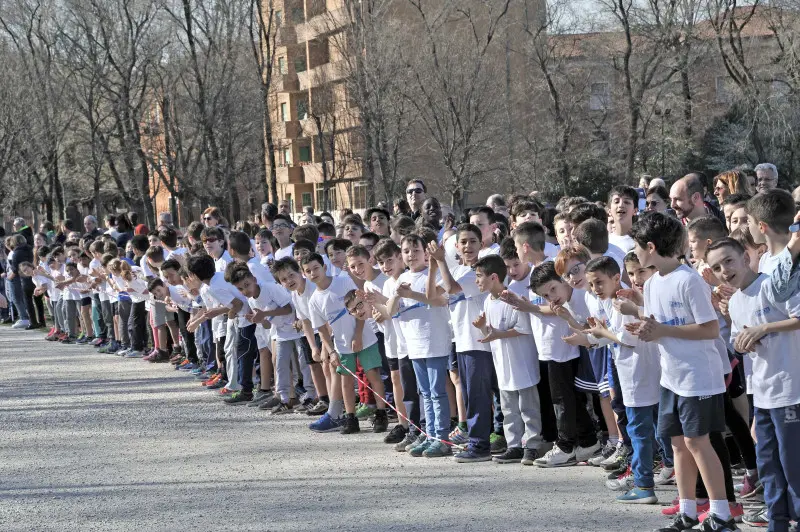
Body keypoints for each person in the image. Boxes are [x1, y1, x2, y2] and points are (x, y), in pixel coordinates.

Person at [623, 212, 734, 530]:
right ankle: (687, 511)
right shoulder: (655, 281)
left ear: (651, 246)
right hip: (670, 376)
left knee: (699, 443)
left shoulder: (688, 280)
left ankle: (722, 515)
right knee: (676, 444)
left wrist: (661, 331)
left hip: (698, 377)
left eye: (638, 246)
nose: (637, 252)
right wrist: (645, 324)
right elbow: (662, 324)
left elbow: (710, 329)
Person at [707, 237, 800, 530]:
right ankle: (777, 522)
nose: (724, 269)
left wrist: (765, 327)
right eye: (717, 267)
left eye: (729, 261)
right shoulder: (733, 302)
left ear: (746, 258)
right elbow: (737, 340)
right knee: (769, 467)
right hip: (762, 396)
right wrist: (744, 343)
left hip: (790, 391)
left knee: (793, 467)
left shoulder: (774, 284)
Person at [583, 256, 663, 504]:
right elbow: (615, 337)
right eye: (592, 284)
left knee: (640, 430)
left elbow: (626, 339)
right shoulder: (616, 302)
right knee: (649, 430)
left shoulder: (623, 302)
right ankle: (654, 474)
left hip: (638, 374)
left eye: (599, 282)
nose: (596, 289)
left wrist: (601, 332)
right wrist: (594, 336)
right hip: (635, 374)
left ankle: (643, 484)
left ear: (616, 278)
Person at [427, 224, 494, 462]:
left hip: (479, 343)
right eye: (463, 242)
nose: (468, 246)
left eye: (473, 241)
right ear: (456, 246)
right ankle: (481, 440)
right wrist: (434, 265)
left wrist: (441, 261)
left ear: (481, 244)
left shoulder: (478, 271)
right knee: (470, 394)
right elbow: (432, 297)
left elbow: (453, 288)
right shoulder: (453, 269)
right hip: (462, 341)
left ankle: (480, 444)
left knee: (478, 396)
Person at [473, 255, 544, 464]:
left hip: (521, 362)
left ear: (493, 277)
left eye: (479, 276)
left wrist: (497, 334)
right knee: (508, 408)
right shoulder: (487, 301)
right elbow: (491, 332)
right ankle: (513, 445)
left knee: (528, 406)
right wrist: (482, 328)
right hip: (502, 363)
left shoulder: (512, 297)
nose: (477, 281)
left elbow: (523, 329)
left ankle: (532, 445)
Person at [388, 233, 452, 457]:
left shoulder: (432, 274)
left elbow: (438, 300)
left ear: (425, 253)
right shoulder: (400, 278)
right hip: (413, 346)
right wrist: (397, 295)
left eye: (416, 251)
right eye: (406, 251)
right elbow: (389, 311)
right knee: (424, 392)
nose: (411, 255)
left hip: (434, 341)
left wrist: (410, 293)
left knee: (436, 392)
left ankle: (441, 437)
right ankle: (428, 433)